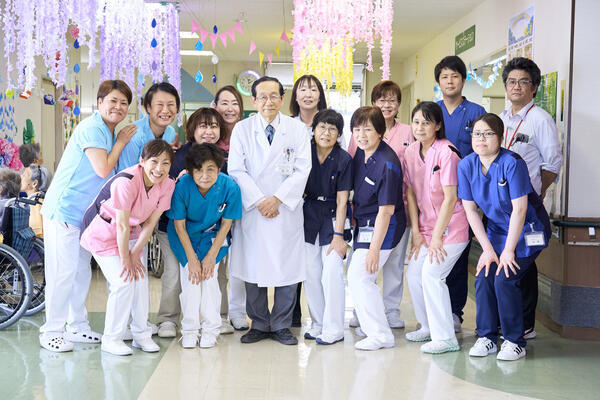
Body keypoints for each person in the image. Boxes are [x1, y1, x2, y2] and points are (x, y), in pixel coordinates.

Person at [40, 80, 137, 352]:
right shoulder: (93, 128)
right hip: (64, 211)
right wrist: (121, 142)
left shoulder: (108, 131)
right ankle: (51, 330)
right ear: (100, 102)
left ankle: (77, 326)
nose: (118, 107)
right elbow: (103, 169)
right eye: (113, 101)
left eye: (124, 103)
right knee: (62, 273)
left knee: (80, 273)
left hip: (85, 217)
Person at [458, 113, 551, 360]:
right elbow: (471, 211)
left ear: (500, 138)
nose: (481, 138)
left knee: (505, 277)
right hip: (498, 232)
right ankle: (487, 337)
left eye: (488, 134)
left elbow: (520, 210)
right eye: (477, 133)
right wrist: (488, 250)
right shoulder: (466, 165)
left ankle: (514, 341)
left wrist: (508, 251)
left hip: (528, 230)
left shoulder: (512, 163)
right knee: (484, 275)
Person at [228, 76, 311, 346]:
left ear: (282, 99)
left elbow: (303, 169)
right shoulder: (242, 129)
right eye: (262, 97)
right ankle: (260, 323)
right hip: (254, 210)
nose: (268, 101)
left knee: (287, 268)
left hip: (284, 209)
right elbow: (236, 169)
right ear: (253, 100)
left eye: (274, 96)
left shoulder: (297, 129)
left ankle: (282, 325)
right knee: (253, 267)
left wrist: (277, 199)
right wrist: (259, 200)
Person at [80, 139, 175, 355]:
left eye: (165, 163)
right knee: (123, 282)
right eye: (154, 161)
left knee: (140, 280)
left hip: (130, 233)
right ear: (142, 161)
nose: (159, 168)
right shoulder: (126, 181)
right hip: (102, 232)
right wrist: (127, 258)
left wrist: (134, 253)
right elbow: (121, 225)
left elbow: (150, 222)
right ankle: (112, 339)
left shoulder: (168, 184)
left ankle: (141, 334)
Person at [156, 107, 235, 337]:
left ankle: (218, 317)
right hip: (175, 227)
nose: (209, 131)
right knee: (175, 273)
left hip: (211, 231)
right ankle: (168, 319)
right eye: (203, 126)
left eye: (214, 126)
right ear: (192, 129)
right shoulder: (177, 156)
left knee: (216, 273)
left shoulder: (223, 159)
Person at [499, 57, 562, 339]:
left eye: (523, 82)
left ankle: (525, 324)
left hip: (528, 206)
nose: (516, 86)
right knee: (511, 258)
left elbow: (552, 163)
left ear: (534, 87)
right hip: (503, 207)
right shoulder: (501, 119)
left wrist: (537, 192)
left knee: (522, 260)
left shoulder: (540, 119)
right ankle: (512, 321)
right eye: (511, 81)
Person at [347, 80, 414, 329]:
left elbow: (413, 170)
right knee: (364, 270)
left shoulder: (405, 135)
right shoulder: (361, 143)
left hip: (395, 209)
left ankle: (389, 314)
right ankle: (365, 313)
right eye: (381, 100)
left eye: (392, 100)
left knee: (391, 266)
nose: (387, 104)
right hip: (367, 213)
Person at [403, 101, 469, 354]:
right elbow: (410, 192)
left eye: (426, 122)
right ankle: (428, 326)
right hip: (426, 228)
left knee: (432, 274)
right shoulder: (411, 152)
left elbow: (451, 198)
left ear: (438, 126)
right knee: (414, 274)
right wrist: (416, 232)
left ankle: (446, 337)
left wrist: (438, 237)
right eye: (416, 122)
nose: (420, 127)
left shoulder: (447, 153)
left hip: (452, 227)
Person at [167, 143, 242, 349]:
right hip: (185, 237)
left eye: (210, 169)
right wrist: (192, 259)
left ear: (219, 169)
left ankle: (211, 329)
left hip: (213, 237)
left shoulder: (230, 187)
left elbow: (226, 224)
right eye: (199, 170)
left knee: (209, 278)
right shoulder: (182, 186)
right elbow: (179, 225)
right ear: (191, 171)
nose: (204, 175)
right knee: (191, 279)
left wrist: (210, 256)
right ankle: (190, 330)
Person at [434, 55, 486, 333]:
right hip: (436, 195)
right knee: (435, 251)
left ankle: (454, 311)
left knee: (459, 256)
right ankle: (435, 309)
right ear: (438, 82)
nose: (450, 81)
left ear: (463, 80)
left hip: (466, 196)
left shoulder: (476, 112)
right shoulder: (433, 111)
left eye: (455, 76)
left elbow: (483, 154)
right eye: (444, 76)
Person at [303, 109, 352, 345]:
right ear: (313, 130)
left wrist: (338, 235)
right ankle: (318, 323)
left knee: (331, 272)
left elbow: (343, 201)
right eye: (322, 127)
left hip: (334, 216)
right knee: (311, 273)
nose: (326, 132)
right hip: (309, 215)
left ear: (339, 134)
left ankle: (334, 328)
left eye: (332, 129)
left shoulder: (344, 159)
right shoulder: (304, 153)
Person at [289, 74, 328, 326]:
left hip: (319, 203)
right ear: (295, 96)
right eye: (302, 89)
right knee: (293, 258)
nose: (308, 94)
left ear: (320, 95)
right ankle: (291, 313)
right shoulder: (288, 125)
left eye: (313, 89)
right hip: (292, 201)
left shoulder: (328, 124)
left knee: (316, 266)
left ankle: (322, 317)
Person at [213, 86, 249, 331]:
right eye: (224, 103)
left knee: (237, 262)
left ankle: (237, 311)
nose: (229, 109)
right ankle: (215, 314)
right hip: (211, 210)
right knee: (215, 265)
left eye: (234, 103)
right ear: (215, 106)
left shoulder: (246, 133)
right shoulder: (209, 134)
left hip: (241, 207)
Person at [117, 82, 180, 171]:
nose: (165, 110)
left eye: (170, 104)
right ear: (148, 107)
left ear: (177, 108)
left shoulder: (171, 132)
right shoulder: (133, 133)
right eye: (160, 104)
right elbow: (125, 174)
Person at [20, 164, 51, 237]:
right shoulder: (38, 199)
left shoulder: (35, 203)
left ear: (34, 183)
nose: (20, 177)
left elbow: (36, 233)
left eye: (24, 175)